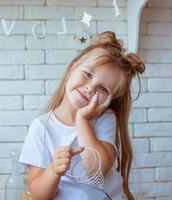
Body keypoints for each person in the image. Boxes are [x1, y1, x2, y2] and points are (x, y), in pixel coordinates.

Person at [19, 31, 145, 200]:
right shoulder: (41, 127)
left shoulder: (104, 119)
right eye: (88, 74)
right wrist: (53, 170)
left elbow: (96, 172)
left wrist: (83, 119)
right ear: (72, 69)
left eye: (103, 89)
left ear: (111, 99)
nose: (91, 88)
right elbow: (39, 195)